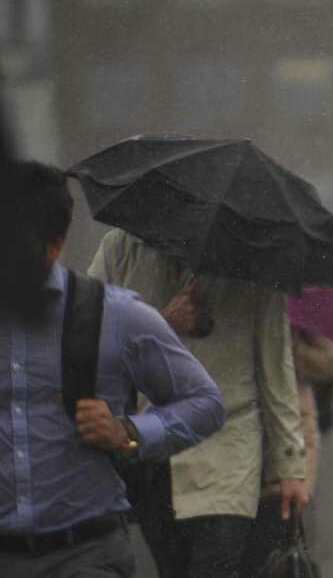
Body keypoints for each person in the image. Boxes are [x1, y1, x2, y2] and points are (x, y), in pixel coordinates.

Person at [0, 161, 225, 577]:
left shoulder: (114, 316)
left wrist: (130, 432)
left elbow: (206, 403)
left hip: (86, 555)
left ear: (55, 244)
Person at [89, 228, 309, 578]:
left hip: (230, 447)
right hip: (155, 445)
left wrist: (291, 466)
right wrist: (161, 323)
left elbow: (275, 366)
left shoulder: (255, 255)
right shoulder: (122, 249)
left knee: (214, 567)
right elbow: (87, 337)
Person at [240, 287, 333, 577]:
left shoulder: (302, 311)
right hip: (242, 435)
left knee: (284, 540)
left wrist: (289, 346)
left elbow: (327, 364)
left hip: (291, 436)